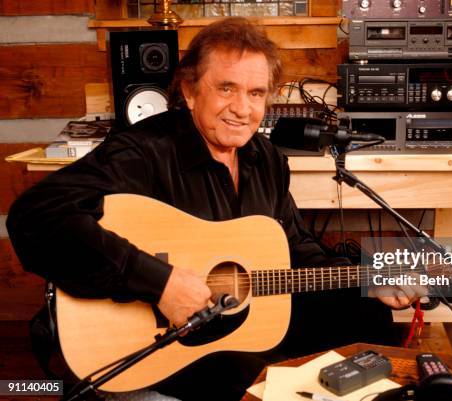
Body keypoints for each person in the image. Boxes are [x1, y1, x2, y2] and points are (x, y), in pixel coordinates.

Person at [7, 17, 424, 401]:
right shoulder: (144, 151)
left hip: (240, 323)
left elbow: (294, 246)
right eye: (226, 88)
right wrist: (160, 283)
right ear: (189, 90)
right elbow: (35, 216)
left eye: (256, 93)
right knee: (246, 375)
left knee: (366, 312)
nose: (242, 109)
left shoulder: (266, 159)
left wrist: (368, 278)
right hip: (165, 342)